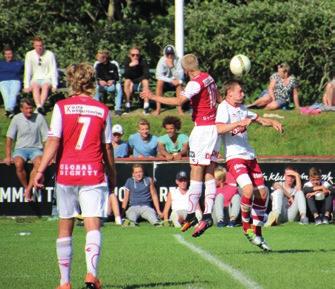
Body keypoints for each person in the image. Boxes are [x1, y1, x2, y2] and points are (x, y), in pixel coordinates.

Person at [34, 63, 115, 289]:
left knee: (64, 225)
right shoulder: (102, 110)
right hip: (92, 173)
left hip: (66, 173)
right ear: (91, 82)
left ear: (71, 81)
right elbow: (107, 147)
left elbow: (54, 140)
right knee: (92, 223)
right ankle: (91, 275)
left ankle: (64, 282)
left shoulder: (61, 107)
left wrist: (40, 171)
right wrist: (113, 173)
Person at [141, 53, 221, 237]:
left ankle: (193, 213)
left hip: (203, 129)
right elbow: (217, 98)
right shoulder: (208, 77)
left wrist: (153, 96)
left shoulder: (195, 83)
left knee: (196, 170)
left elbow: (179, 101)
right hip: (213, 128)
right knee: (209, 170)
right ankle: (207, 214)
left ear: (186, 69)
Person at [216, 80, 283, 251]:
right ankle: (246, 228)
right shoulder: (224, 107)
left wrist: (273, 122)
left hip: (250, 157)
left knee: (262, 193)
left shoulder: (243, 109)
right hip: (234, 157)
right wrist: (238, 123)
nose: (243, 94)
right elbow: (219, 128)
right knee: (247, 189)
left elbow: (259, 119)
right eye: (240, 91)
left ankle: (258, 234)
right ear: (229, 93)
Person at [4, 97, 48, 201]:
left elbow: (47, 138)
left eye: (31, 108)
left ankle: (28, 190)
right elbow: (9, 138)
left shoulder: (39, 118)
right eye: (27, 108)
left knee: (39, 164)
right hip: (20, 149)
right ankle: (26, 187)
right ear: (21, 109)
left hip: (36, 149)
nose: (29, 111)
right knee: (18, 164)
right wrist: (8, 156)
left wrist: (48, 156)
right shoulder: (16, 119)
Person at [23, 36, 58, 115]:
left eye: (40, 45)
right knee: (35, 86)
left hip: (47, 78)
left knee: (45, 86)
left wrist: (54, 85)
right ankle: (39, 107)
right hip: (35, 78)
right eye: (37, 46)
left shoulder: (49, 54)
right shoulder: (29, 54)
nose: (39, 47)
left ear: (43, 45)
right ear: (34, 46)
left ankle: (39, 107)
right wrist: (26, 86)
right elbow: (27, 70)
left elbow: (53, 70)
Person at [154, 45, 184, 115]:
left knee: (178, 84)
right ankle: (158, 109)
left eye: (171, 54)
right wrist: (170, 80)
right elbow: (158, 76)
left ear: (174, 53)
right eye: (168, 54)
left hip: (175, 82)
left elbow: (180, 77)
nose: (170, 56)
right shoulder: (162, 60)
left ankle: (179, 109)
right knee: (159, 82)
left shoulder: (178, 60)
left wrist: (172, 67)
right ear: (165, 54)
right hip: (166, 82)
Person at [94, 49, 123, 116]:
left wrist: (113, 80)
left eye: (100, 57)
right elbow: (95, 77)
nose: (98, 58)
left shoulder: (113, 65)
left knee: (118, 86)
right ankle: (97, 108)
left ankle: (117, 109)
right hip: (101, 86)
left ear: (105, 57)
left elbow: (117, 77)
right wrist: (99, 81)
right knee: (95, 87)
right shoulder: (98, 65)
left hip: (111, 86)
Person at [123, 46, 150, 114]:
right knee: (127, 81)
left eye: (137, 55)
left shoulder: (143, 61)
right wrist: (130, 66)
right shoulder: (127, 61)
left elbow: (146, 75)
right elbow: (126, 75)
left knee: (145, 81)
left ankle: (146, 106)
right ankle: (127, 105)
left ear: (139, 55)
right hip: (130, 80)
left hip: (140, 80)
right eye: (133, 55)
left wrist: (136, 81)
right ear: (129, 55)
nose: (135, 56)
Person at [0, 46, 24, 118]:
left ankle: (8, 110)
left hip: (15, 81)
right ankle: (10, 111)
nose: (8, 56)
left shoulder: (18, 63)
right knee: (6, 95)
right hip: (3, 81)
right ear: (4, 55)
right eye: (6, 54)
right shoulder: (1, 63)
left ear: (12, 54)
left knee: (13, 94)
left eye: (10, 54)